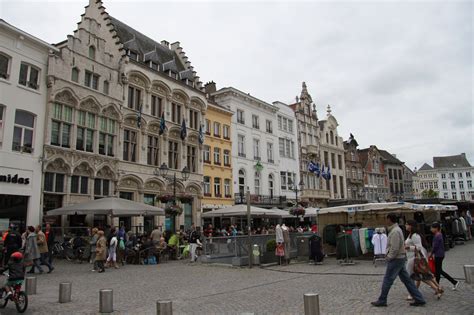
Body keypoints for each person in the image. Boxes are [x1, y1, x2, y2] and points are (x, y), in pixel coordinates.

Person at [371, 213, 426, 307]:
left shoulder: (395, 231)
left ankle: (382, 300)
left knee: (388, 279)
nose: (385, 221)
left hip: (396, 259)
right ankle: (419, 298)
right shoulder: (395, 230)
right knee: (407, 280)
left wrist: (388, 257)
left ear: (389, 220)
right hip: (399, 258)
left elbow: (395, 248)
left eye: (386, 219)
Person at [404, 220, 442, 300]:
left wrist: (408, 247)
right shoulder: (411, 234)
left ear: (411, 225)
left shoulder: (415, 235)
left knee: (415, 276)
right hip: (412, 257)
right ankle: (437, 289)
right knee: (422, 276)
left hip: (415, 259)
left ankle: (413, 293)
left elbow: (418, 247)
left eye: (407, 224)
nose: (405, 225)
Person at [430, 222, 459, 290]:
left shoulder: (437, 235)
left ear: (436, 228)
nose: (431, 229)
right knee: (438, 271)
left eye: (432, 228)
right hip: (440, 254)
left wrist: (431, 253)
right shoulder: (439, 234)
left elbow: (435, 246)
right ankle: (437, 284)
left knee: (439, 271)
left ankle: (454, 282)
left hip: (438, 255)